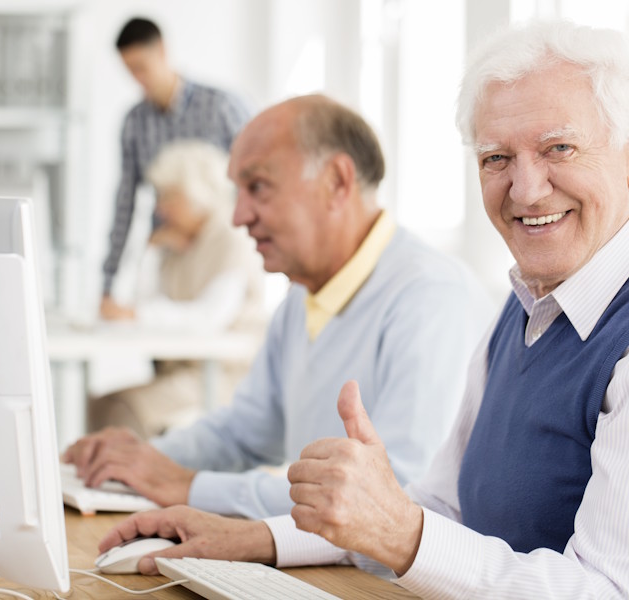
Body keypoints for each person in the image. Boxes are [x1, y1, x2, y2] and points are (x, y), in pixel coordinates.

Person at [96, 21, 629, 598]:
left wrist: (402, 533)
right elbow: (441, 506)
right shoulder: (528, 307)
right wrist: (253, 540)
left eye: (559, 148)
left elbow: (609, 593)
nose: (524, 189)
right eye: (496, 158)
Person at [64, 94, 494, 521]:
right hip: (317, 561)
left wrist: (185, 486)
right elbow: (245, 434)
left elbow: (398, 497)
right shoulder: (301, 296)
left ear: (336, 182)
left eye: (257, 187)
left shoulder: (431, 298)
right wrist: (136, 460)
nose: (237, 216)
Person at [90, 140, 267, 438]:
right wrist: (151, 252)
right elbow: (148, 301)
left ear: (198, 195)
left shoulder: (231, 238)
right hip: (180, 371)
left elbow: (209, 318)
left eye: (170, 197)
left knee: (124, 409)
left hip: (223, 375)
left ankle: (129, 479)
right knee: (99, 404)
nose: (161, 208)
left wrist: (135, 315)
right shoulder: (176, 241)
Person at [101, 17, 251, 313]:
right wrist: (107, 285)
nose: (137, 78)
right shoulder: (135, 123)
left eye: (141, 67)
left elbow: (255, 177)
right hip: (170, 259)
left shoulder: (221, 107)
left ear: (162, 52)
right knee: (163, 341)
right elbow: (124, 205)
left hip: (218, 252)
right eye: (129, 70)